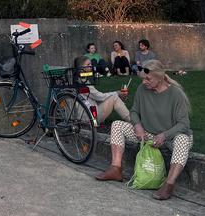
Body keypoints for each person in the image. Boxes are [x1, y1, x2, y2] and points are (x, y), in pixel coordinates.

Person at [95, 60, 193, 200]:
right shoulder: (142, 89)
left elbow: (184, 124)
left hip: (170, 137)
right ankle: (115, 168)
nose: (144, 82)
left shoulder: (175, 94)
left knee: (183, 139)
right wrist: (137, 125)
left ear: (159, 76)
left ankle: (169, 184)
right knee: (117, 124)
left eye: (148, 78)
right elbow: (134, 111)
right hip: (147, 135)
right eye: (142, 79)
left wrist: (164, 135)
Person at [74, 56, 130, 124]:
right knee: (114, 98)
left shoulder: (78, 79)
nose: (91, 66)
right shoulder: (83, 82)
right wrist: (117, 93)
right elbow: (100, 96)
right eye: (88, 64)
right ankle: (134, 122)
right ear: (80, 68)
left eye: (91, 64)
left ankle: (132, 120)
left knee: (114, 97)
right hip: (89, 117)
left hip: (86, 114)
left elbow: (96, 98)